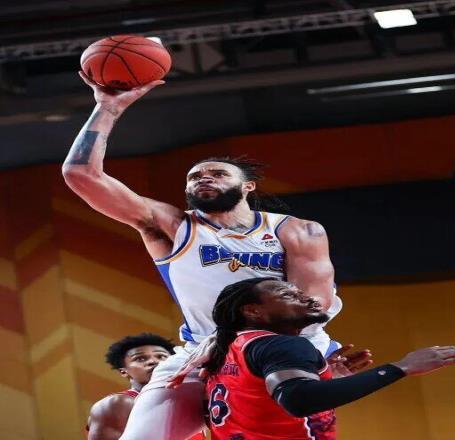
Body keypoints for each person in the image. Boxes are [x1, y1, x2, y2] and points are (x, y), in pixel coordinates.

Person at [63, 72, 343, 440]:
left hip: (282, 348)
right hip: (200, 351)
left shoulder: (297, 230)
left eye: (217, 173)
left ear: (248, 186)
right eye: (194, 177)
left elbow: (312, 308)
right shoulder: (172, 226)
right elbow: (81, 174)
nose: (204, 179)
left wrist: (230, 340)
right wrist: (108, 107)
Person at [205, 277, 455, 440]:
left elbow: (260, 407)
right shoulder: (282, 345)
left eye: (301, 292)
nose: (307, 298)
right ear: (252, 311)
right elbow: (299, 400)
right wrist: (402, 367)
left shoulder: (228, 351)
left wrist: (325, 380)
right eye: (288, 294)